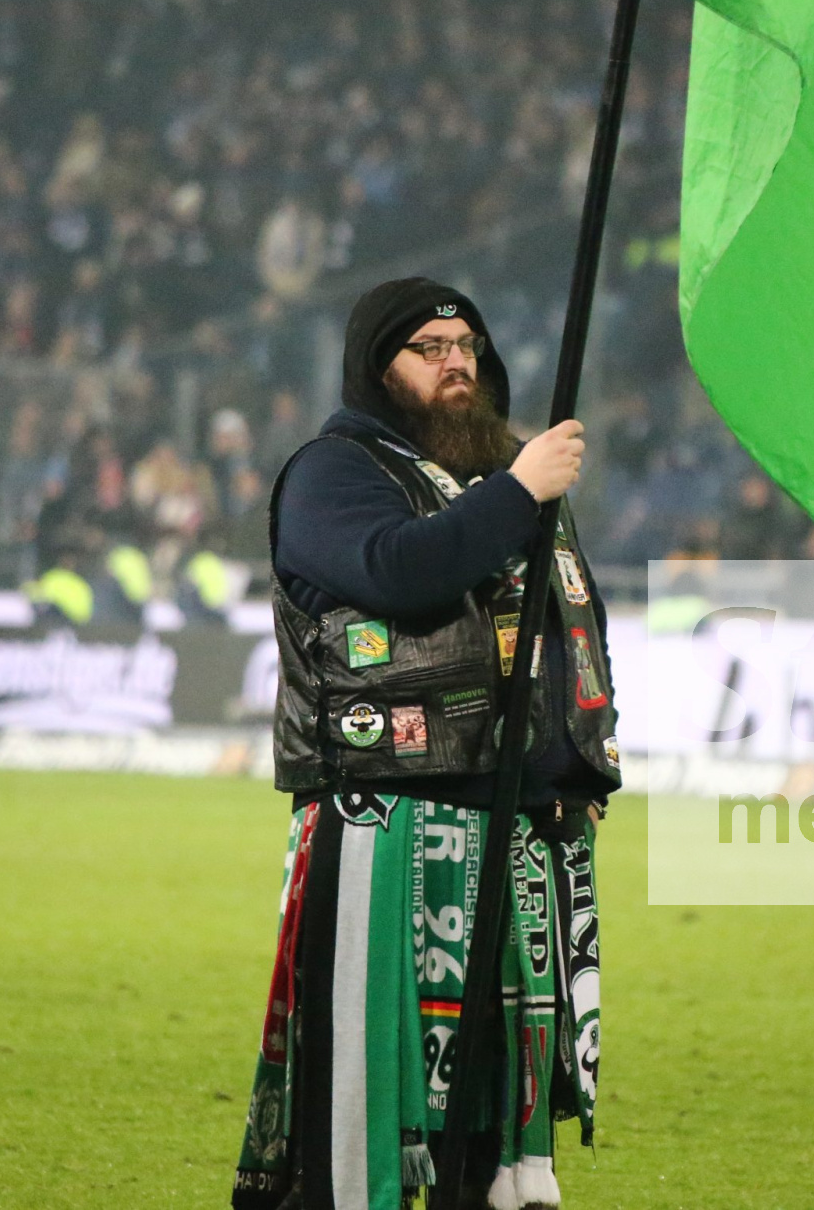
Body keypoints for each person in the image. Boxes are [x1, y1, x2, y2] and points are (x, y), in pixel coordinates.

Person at [233, 278, 619, 1210]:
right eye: (429, 347)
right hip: (382, 823)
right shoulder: (333, 470)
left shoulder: (500, 478)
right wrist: (519, 491)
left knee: (487, 1110)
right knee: (363, 1098)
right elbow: (398, 571)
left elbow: (564, 628)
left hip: (507, 829)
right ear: (378, 367)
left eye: (468, 346)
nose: (457, 363)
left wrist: (575, 765)